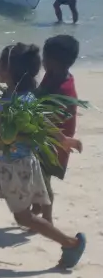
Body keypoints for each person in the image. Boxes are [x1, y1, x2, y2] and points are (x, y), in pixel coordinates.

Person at [0, 43, 86, 270]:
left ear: (10, 70)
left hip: (16, 165)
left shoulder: (25, 100)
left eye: (0, 64)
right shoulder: (10, 94)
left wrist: (63, 140)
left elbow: (39, 126)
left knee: (23, 218)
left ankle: (70, 243)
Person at [31, 35, 80, 222]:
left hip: (55, 143)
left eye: (45, 57)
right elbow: (39, 96)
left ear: (54, 61)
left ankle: (48, 220)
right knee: (36, 177)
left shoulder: (65, 90)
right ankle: (36, 208)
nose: (42, 61)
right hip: (42, 138)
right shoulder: (52, 75)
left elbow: (52, 119)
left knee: (43, 182)